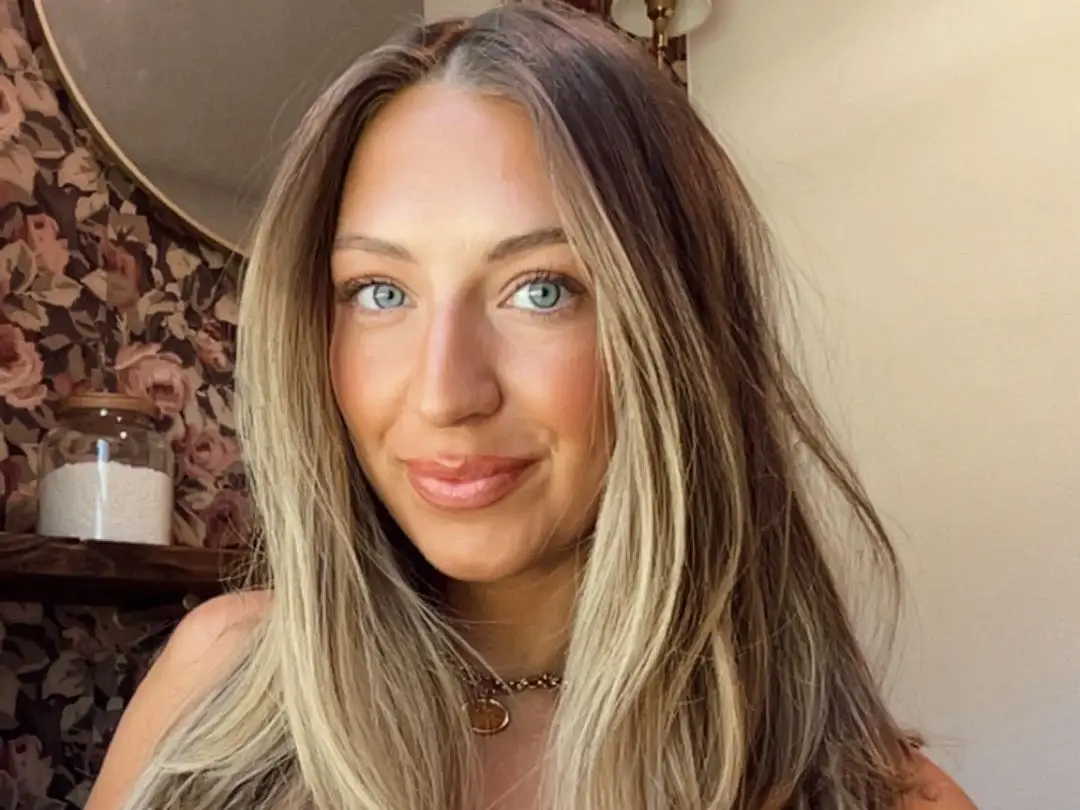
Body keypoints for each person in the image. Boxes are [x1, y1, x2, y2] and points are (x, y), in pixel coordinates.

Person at [86, 3, 977, 809]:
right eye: (380, 292)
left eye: (541, 289)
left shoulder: (876, 794)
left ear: (677, 336)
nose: (444, 393)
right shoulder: (220, 691)